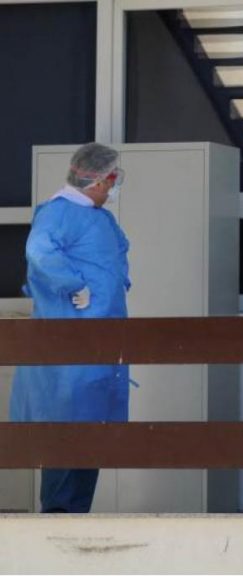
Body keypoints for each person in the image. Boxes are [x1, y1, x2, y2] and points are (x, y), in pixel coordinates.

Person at [10, 143, 130, 513]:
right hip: (70, 344)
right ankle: (57, 520)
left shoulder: (101, 219)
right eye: (112, 178)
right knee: (65, 430)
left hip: (101, 343)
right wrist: (73, 284)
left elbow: (116, 258)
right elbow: (40, 252)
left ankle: (77, 518)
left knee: (91, 432)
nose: (114, 186)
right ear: (99, 180)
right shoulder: (58, 212)